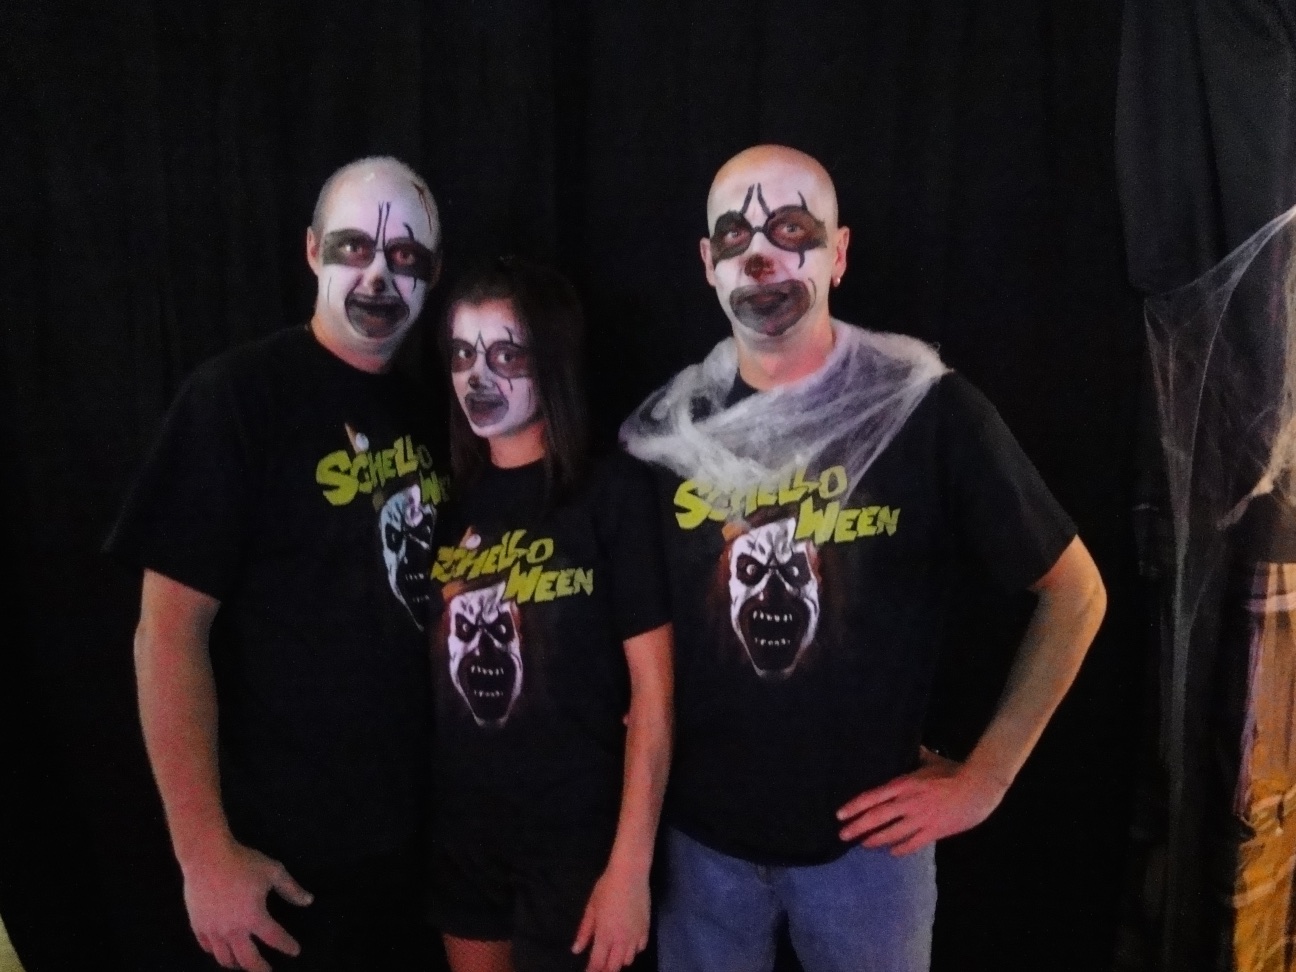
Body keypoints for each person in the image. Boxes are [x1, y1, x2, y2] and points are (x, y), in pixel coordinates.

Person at [619, 144, 1108, 972]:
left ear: (839, 252)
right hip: (703, 852)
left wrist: (987, 777)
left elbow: (1077, 593)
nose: (760, 257)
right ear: (707, 264)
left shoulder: (922, 406)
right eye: (735, 236)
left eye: (790, 229)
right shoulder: (671, 431)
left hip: (868, 856)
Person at [106, 156, 449, 972]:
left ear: (433, 274)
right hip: (286, 866)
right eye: (354, 246)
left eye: (405, 256)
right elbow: (166, 635)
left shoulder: (433, 407)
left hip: (417, 849)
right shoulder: (236, 398)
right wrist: (204, 854)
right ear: (310, 251)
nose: (378, 275)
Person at [426, 257, 673, 972]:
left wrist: (629, 866)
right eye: (463, 354)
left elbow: (655, 695)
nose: (479, 377)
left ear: (552, 360)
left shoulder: (611, 494)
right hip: (463, 836)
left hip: (578, 843)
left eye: (506, 355)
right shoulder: (447, 505)